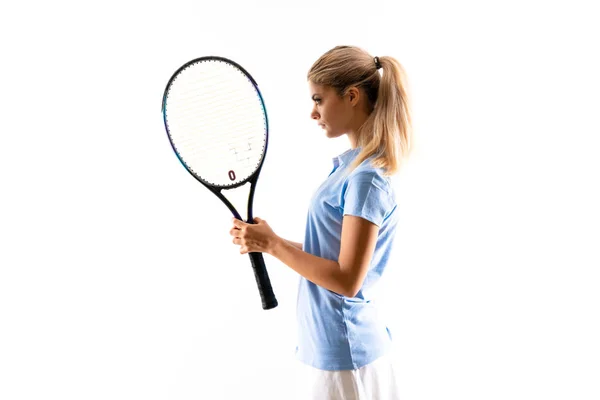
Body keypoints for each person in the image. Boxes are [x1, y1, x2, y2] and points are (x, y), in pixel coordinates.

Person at [229, 45, 413, 399]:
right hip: (333, 349)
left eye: (319, 99)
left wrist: (273, 244)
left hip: (348, 354)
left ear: (352, 96)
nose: (313, 113)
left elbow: (346, 279)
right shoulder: (351, 169)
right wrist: (267, 240)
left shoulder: (365, 178)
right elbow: (332, 255)